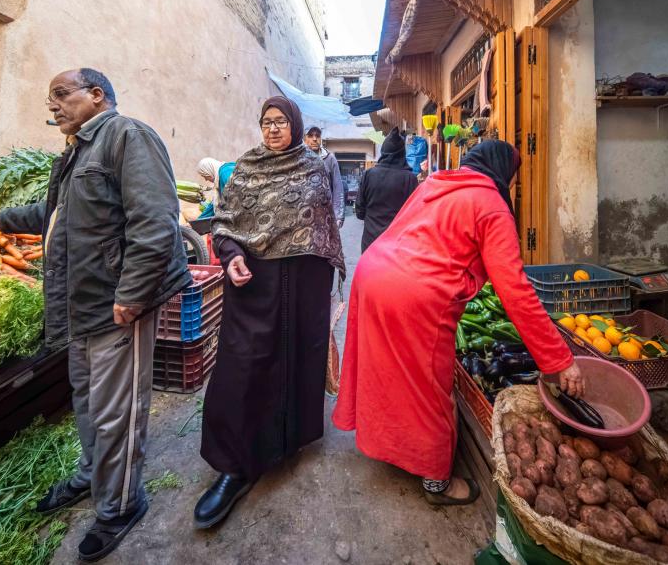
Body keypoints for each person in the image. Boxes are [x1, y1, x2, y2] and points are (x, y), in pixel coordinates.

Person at [0, 68, 190, 561]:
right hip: (80, 306)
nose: (52, 105)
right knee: (88, 402)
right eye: (49, 97)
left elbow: (156, 222)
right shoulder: (76, 153)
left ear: (97, 95)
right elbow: (56, 213)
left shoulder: (126, 135)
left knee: (118, 411)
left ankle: (120, 505)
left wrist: (132, 296)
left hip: (117, 306)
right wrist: (3, 219)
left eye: (60, 94)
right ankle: (91, 475)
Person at [333, 141, 583, 504]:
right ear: (503, 173)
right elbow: (515, 291)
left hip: (372, 275)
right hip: (416, 294)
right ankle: (438, 482)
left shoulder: (436, 184)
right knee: (431, 387)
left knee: (386, 374)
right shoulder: (491, 206)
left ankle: (390, 446)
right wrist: (559, 359)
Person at [195, 97, 345, 528]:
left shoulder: (314, 167)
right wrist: (230, 255)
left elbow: (324, 226)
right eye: (266, 123)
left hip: (303, 287)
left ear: (295, 127)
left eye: (281, 122)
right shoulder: (245, 170)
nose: (273, 129)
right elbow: (224, 222)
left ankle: (287, 441)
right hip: (253, 284)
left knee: (298, 359)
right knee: (243, 367)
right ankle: (235, 467)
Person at [355, 127, 418, 252]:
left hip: (371, 244)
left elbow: (359, 212)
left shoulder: (369, 174)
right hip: (398, 247)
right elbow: (415, 216)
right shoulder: (410, 178)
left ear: (384, 151)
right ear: (402, 153)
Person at [305, 126, 345, 227]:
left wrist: (338, 216)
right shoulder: (298, 159)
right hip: (304, 215)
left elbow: (338, 187)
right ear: (304, 139)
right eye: (310, 136)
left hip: (325, 214)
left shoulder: (329, 159)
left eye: (317, 136)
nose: (314, 139)